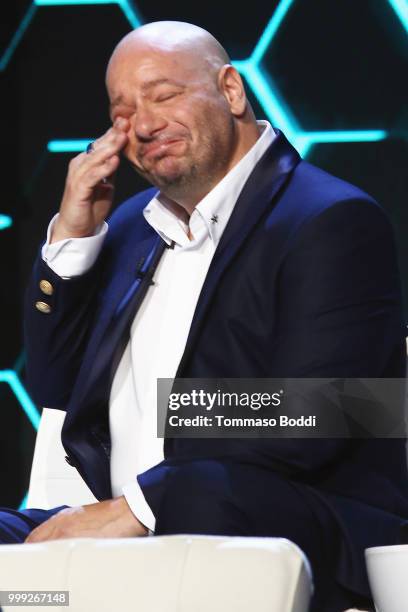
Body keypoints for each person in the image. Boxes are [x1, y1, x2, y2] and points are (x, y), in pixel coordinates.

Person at [1, 21, 407, 612]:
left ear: (232, 91)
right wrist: (72, 240)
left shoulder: (329, 217)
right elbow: (56, 389)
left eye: (163, 96)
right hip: (127, 518)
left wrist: (144, 501)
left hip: (273, 520)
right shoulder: (132, 226)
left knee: (203, 494)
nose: (142, 124)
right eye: (122, 112)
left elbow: (331, 409)